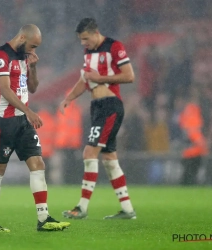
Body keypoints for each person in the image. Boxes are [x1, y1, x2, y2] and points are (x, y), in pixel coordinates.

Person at [0, 24, 70, 232]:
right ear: (22, 37)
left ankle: (44, 218)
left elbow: (32, 88)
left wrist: (34, 67)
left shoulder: (23, 58)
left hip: (22, 121)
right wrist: (29, 111)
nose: (33, 51)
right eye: (32, 46)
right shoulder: (1, 55)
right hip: (3, 121)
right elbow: (4, 90)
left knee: (38, 163)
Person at [60, 18, 136, 220]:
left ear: (95, 33)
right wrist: (69, 98)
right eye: (80, 40)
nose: (83, 43)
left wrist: (101, 79)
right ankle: (127, 209)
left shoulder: (114, 46)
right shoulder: (88, 53)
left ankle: (82, 207)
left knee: (89, 152)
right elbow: (84, 80)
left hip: (110, 106)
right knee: (110, 158)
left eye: (85, 38)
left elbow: (129, 76)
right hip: (97, 107)